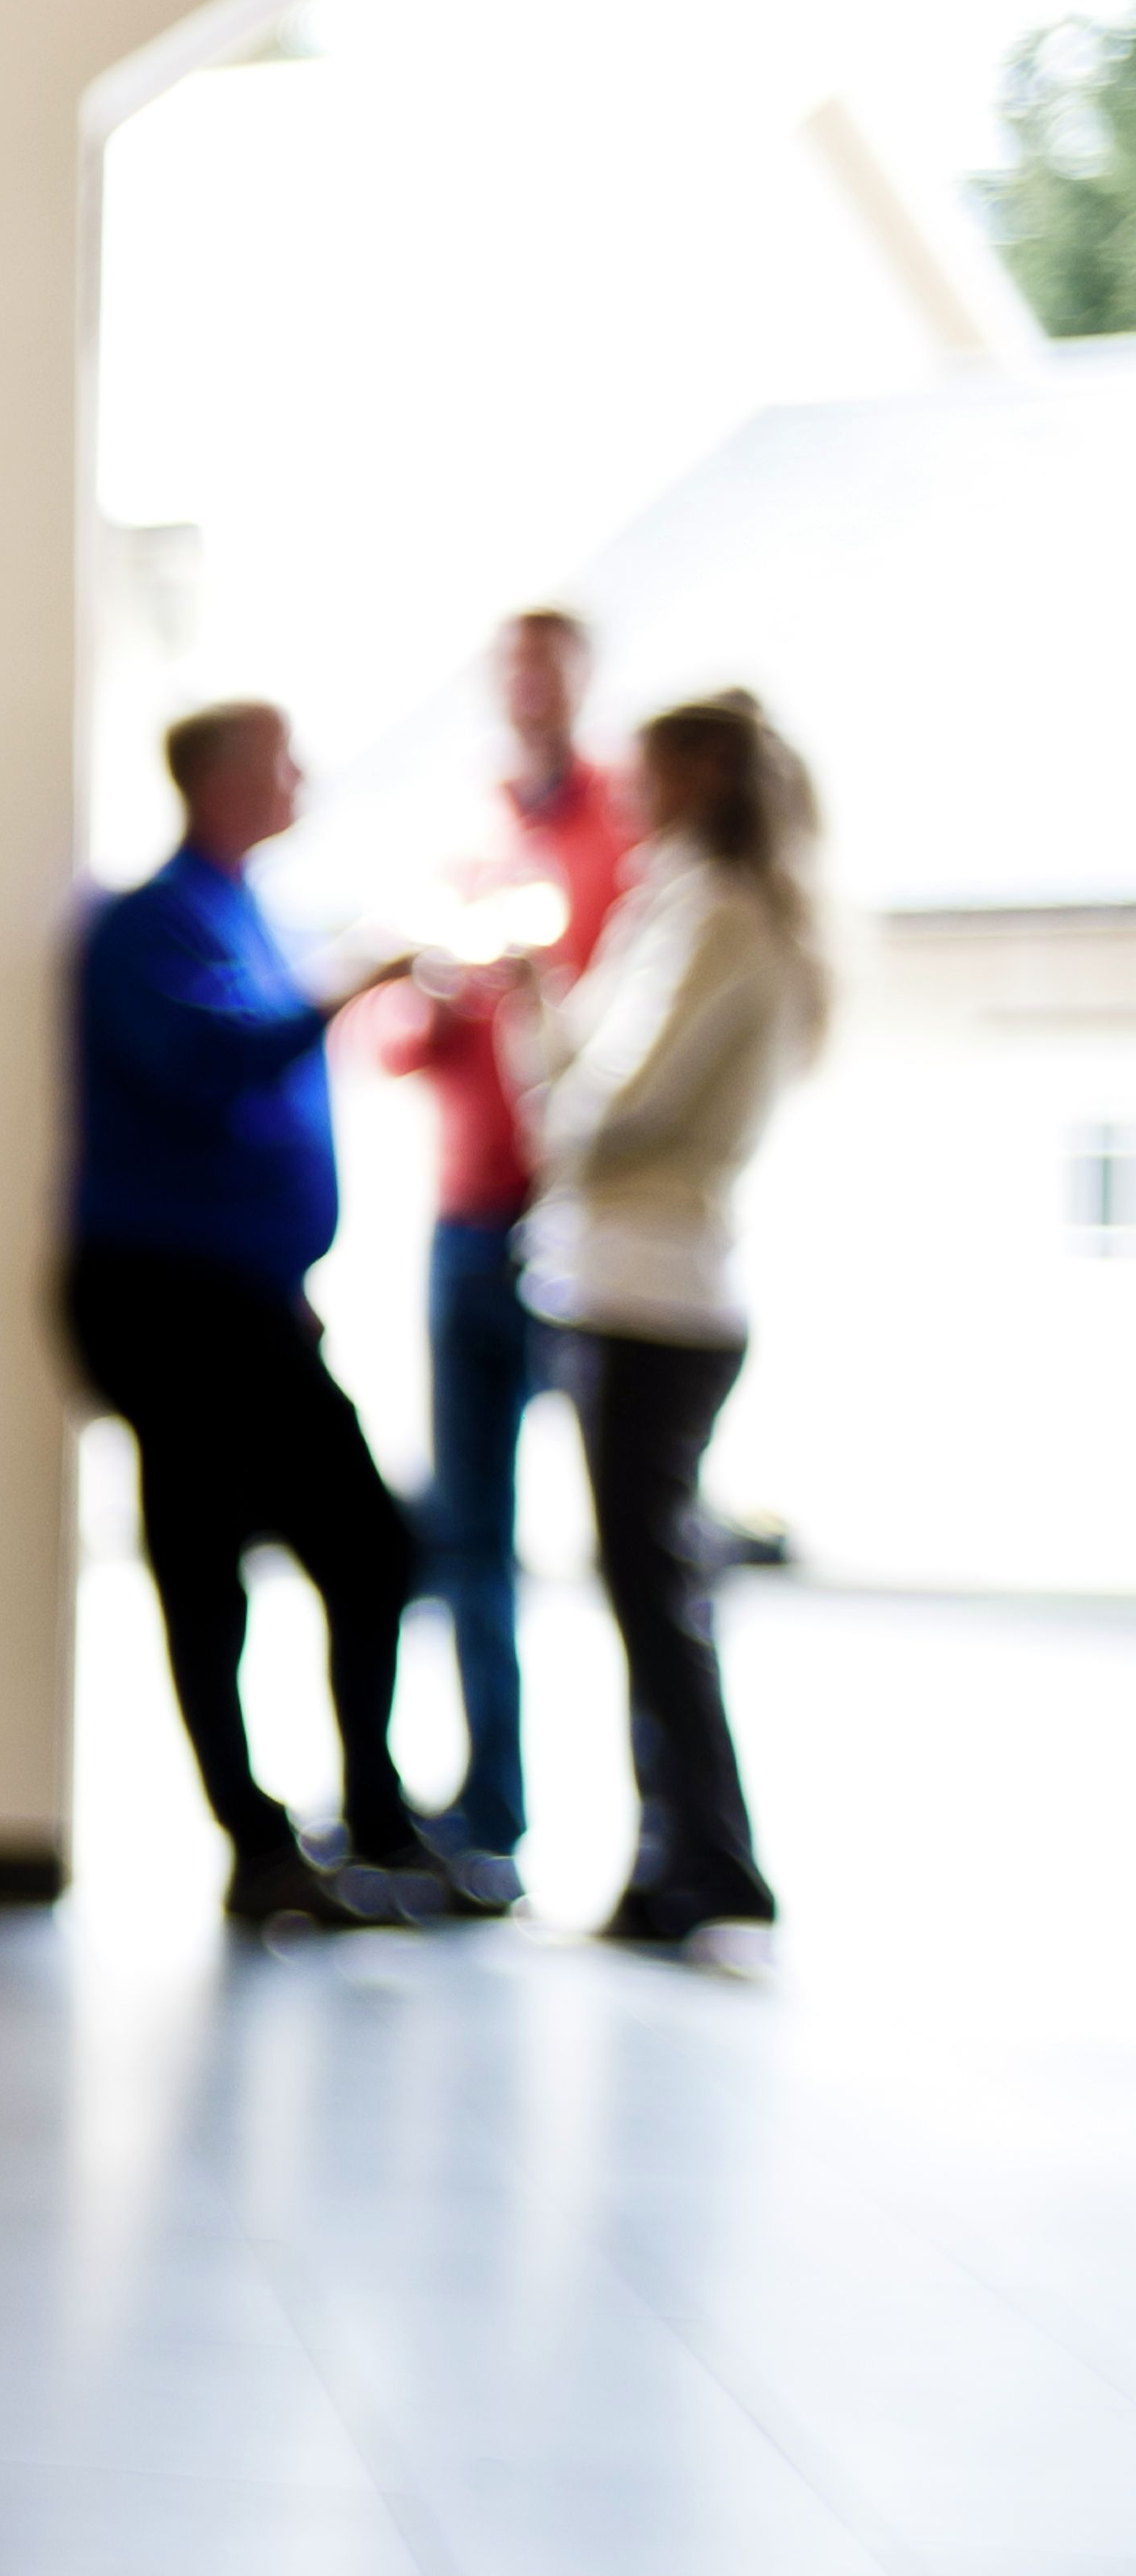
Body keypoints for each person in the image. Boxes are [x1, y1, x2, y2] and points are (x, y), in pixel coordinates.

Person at [64, 702, 449, 1926]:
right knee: (214, 1565)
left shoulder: (248, 914)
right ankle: (263, 1843)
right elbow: (202, 1066)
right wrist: (348, 984)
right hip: (171, 1296)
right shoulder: (148, 922)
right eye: (283, 760)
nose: (304, 779)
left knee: (361, 1547)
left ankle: (367, 1824)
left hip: (244, 1295)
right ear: (224, 780)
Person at [513, 689, 827, 1963]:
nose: (625, 794)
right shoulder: (679, 905)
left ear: (695, 774)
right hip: (629, 1282)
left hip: (657, 1291)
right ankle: (684, 1857)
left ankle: (705, 1864)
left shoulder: (722, 916)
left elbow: (607, 1108)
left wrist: (547, 1061)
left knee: (655, 1591)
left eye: (644, 772)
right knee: (650, 1586)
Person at [374, 609, 633, 1882]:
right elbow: (396, 1042)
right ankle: (489, 1817)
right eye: (512, 674)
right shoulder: (471, 840)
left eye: (550, 673)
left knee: (633, 1535)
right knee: (469, 1530)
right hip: (466, 1216)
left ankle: (666, 1842)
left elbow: (623, 1046)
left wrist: (541, 991)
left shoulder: (626, 835)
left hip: (582, 1220)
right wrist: (428, 997)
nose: (529, 694)